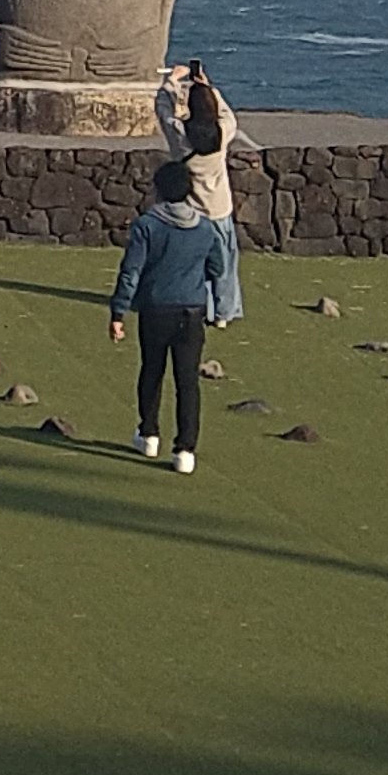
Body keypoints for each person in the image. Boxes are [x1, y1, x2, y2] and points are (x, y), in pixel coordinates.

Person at [106, 154, 240, 474]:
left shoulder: (147, 226)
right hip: (192, 311)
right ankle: (185, 450)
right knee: (188, 381)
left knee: (152, 371)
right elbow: (218, 268)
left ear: (160, 191)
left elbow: (130, 272)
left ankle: (149, 433)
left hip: (155, 309)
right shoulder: (206, 229)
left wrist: (118, 311)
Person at [156, 60, 250, 225]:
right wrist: (207, 88)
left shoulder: (182, 137)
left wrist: (173, 80)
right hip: (219, 208)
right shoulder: (222, 132)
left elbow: (163, 109)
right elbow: (225, 113)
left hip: (192, 212)